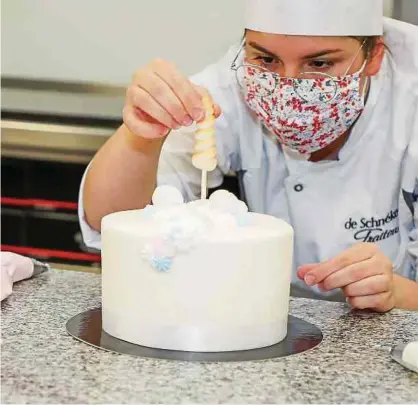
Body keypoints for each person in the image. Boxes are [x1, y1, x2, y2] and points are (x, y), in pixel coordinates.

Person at [79, 0, 418, 311]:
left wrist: (396, 293)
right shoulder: (232, 85)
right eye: (266, 59)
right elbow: (111, 220)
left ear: (374, 56)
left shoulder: (411, 105)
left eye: (320, 63)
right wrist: (142, 135)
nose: (288, 88)